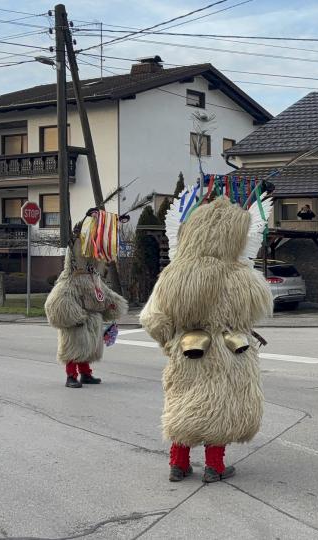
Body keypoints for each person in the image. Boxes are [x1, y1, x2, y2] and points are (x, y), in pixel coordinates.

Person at [141, 186, 273, 483]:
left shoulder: (174, 276)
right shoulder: (244, 277)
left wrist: (170, 343)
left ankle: (178, 464)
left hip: (187, 350)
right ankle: (215, 466)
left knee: (184, 402)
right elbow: (254, 313)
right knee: (220, 404)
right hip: (230, 352)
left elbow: (153, 320)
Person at [45, 207, 128, 389]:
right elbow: (57, 302)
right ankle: (71, 375)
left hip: (92, 317)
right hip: (78, 319)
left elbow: (102, 292)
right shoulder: (71, 278)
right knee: (73, 346)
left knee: (88, 347)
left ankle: (86, 373)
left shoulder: (93, 276)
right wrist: (73, 315)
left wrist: (111, 304)